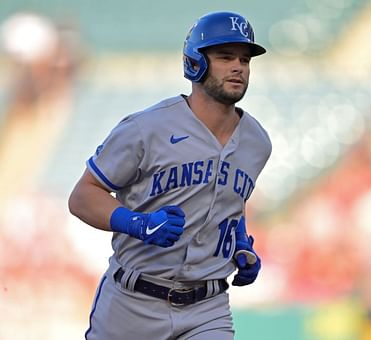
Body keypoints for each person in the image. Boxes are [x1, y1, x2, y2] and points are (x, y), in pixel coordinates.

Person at [68, 11, 272, 340]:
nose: (238, 67)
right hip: (133, 302)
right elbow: (82, 196)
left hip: (208, 307)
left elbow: (230, 201)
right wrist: (136, 223)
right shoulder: (146, 128)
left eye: (245, 59)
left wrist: (240, 242)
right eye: (224, 57)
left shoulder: (257, 142)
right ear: (196, 63)